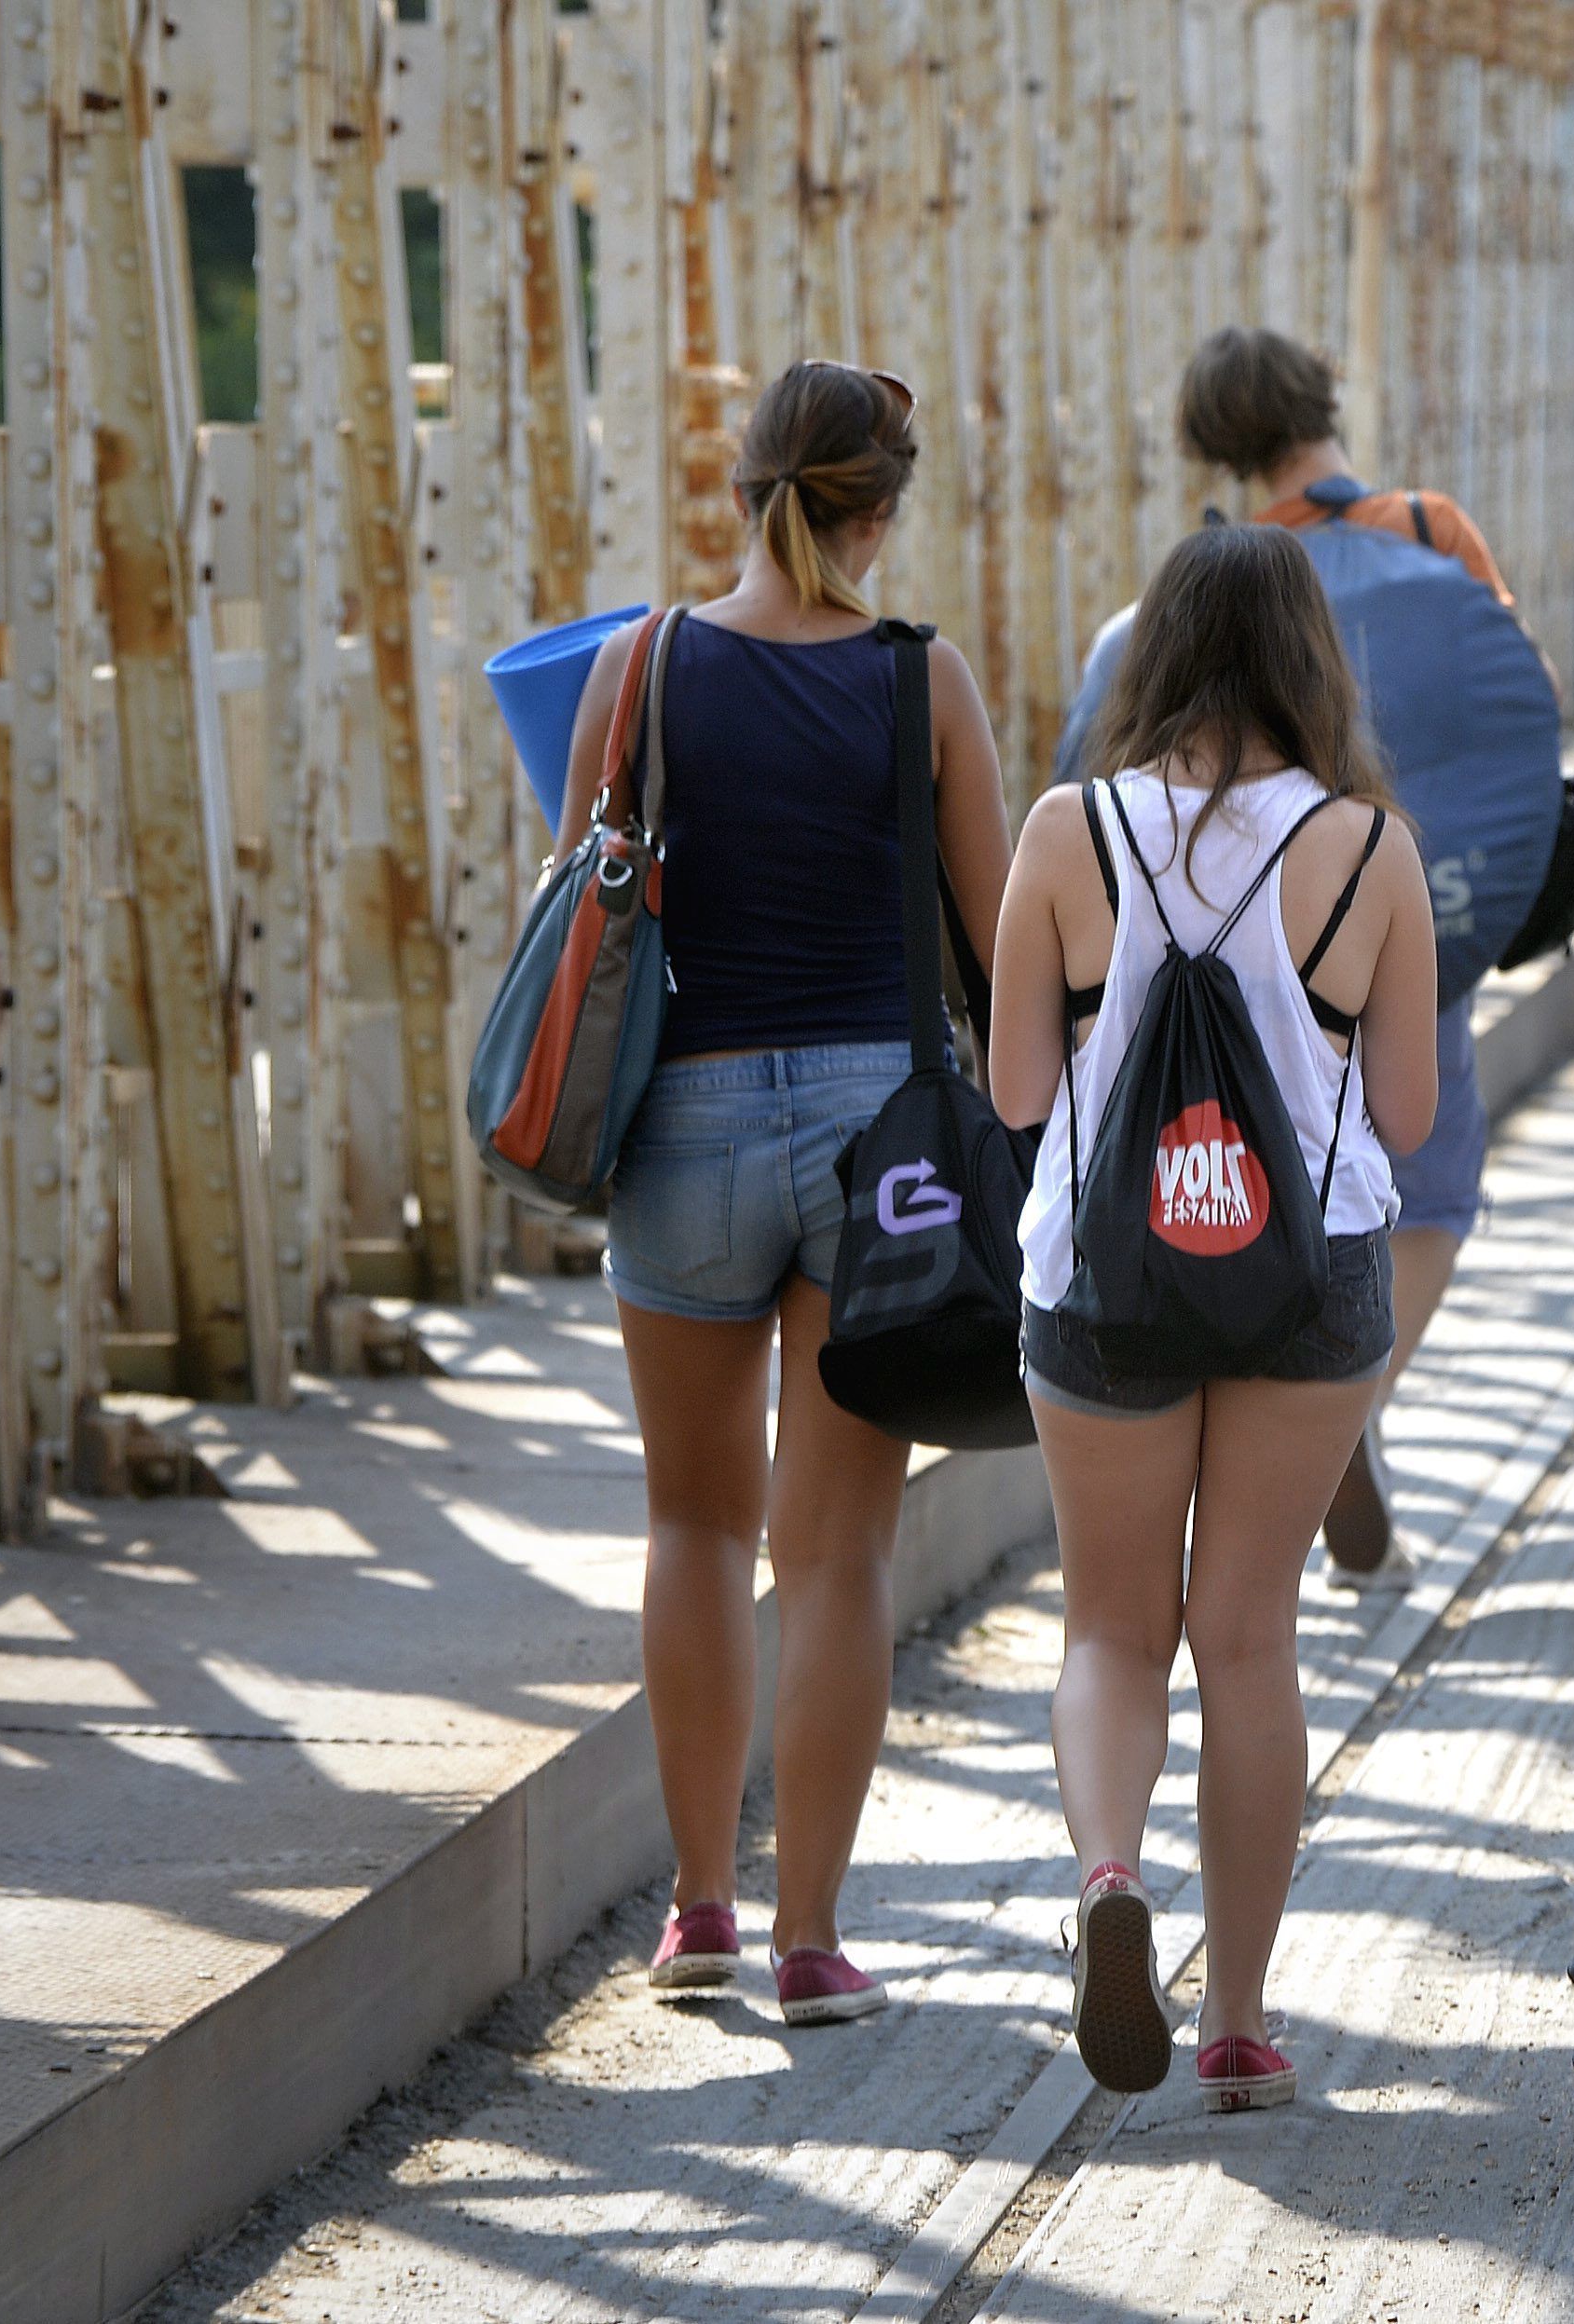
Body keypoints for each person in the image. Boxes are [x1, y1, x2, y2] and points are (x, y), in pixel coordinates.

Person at [565, 361, 1013, 2026]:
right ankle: (812, 1934)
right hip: (871, 1138)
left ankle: (697, 1911)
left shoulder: (644, 666)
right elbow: (995, 943)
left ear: (741, 489)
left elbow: (584, 903)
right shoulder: (922, 681)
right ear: (879, 512)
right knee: (834, 1552)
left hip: (678, 1123)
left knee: (692, 1519)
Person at [992, 525, 1440, 2113]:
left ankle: (1111, 1872)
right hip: (1305, 1282)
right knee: (1246, 1633)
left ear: (1152, 651)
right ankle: (1241, 2014)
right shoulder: (1367, 844)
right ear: (1311, 659)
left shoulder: (1066, 829)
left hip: (1105, 1279)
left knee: (1112, 1627)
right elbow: (1401, 1107)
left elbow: (1017, 1091)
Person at [1157, 328, 1515, 1582]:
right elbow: (1517, 701)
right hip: (1409, 900)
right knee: (1429, 1172)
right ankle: (1351, 1392)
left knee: (1252, 1161)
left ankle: (1281, 1399)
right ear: (1325, 401)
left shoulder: (1215, 572)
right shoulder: (1430, 530)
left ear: (1214, 441)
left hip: (1233, 935)